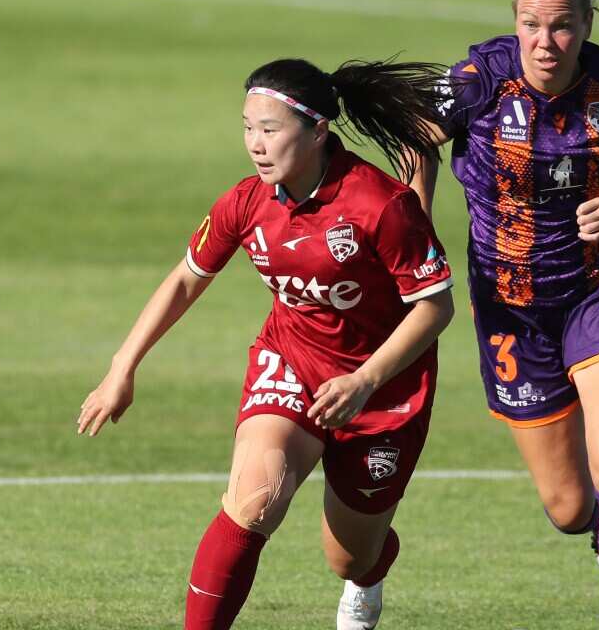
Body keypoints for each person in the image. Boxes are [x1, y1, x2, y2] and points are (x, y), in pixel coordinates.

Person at [76, 57, 455, 630]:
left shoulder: (379, 205)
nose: (255, 143)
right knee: (253, 499)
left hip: (381, 388)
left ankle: (369, 573)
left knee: (350, 557)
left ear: (318, 131)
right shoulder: (247, 201)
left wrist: (364, 380)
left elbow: (435, 306)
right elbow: (185, 279)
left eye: (270, 129)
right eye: (248, 127)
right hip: (292, 360)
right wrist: (121, 367)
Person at [409, 0, 599, 630]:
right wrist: (417, 225)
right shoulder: (480, 78)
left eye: (561, 27)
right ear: (514, 21)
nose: (545, 42)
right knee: (571, 508)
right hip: (511, 306)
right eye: (530, 25)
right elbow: (414, 133)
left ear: (587, 25)